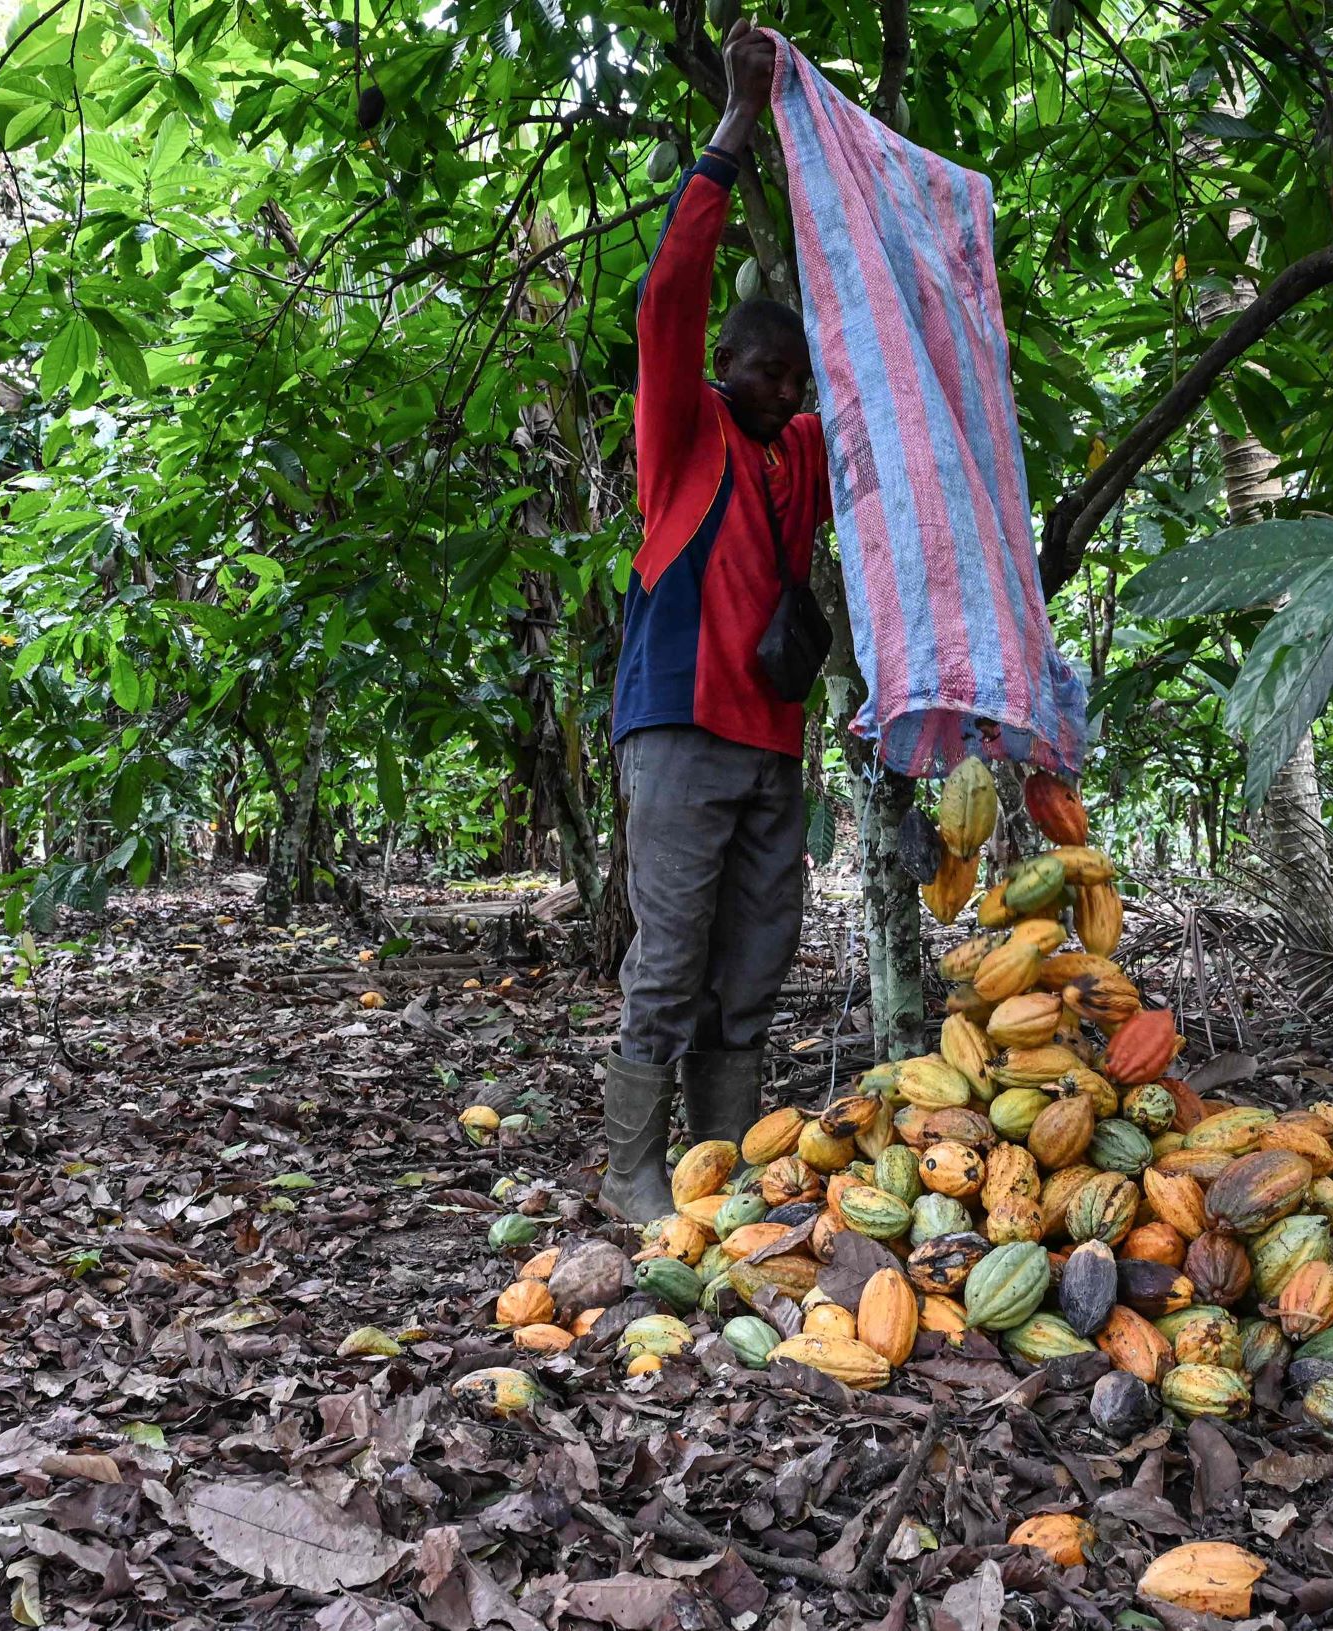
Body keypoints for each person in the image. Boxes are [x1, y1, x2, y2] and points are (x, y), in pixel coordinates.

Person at [600, 19, 833, 1222]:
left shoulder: (794, 452)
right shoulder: (685, 432)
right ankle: (632, 1173)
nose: (782, 394)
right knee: (670, 957)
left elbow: (860, 384)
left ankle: (719, 1167)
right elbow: (668, 298)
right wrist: (737, 126)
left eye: (792, 384)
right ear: (724, 363)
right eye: (763, 371)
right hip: (681, 728)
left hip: (770, 744)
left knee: (752, 966)